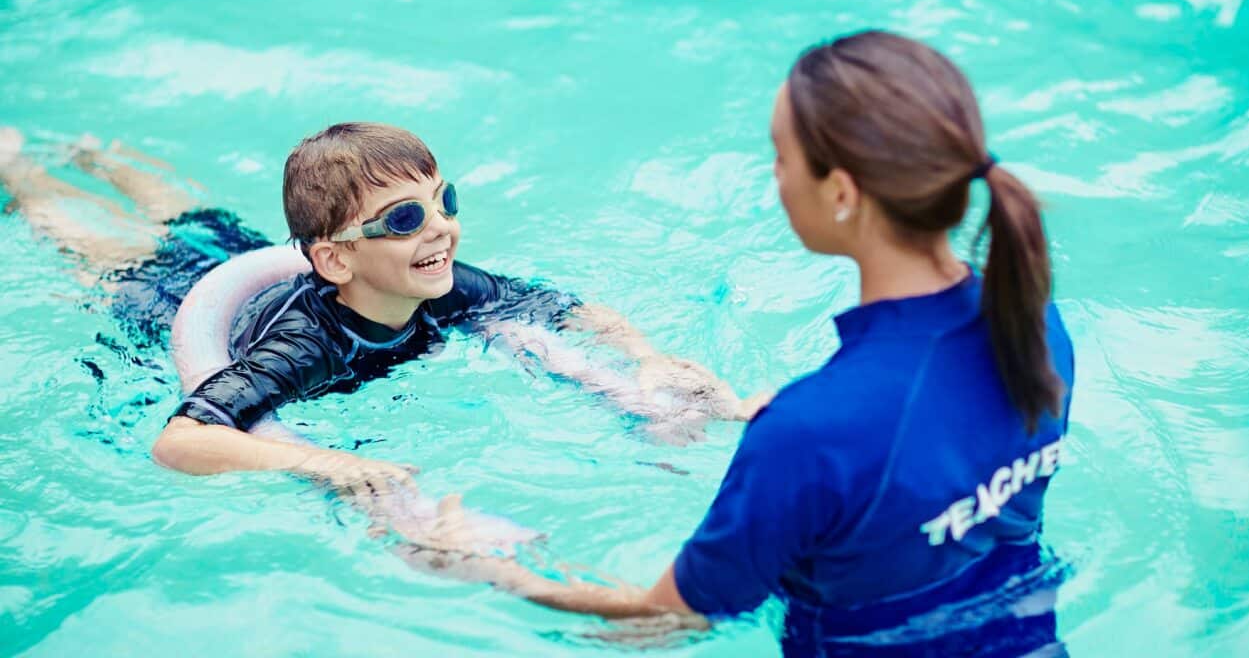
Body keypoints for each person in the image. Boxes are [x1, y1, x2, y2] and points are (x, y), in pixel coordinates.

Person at [421, 31, 1077, 657]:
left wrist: (488, 565)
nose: (776, 175)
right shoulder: (1033, 320)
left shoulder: (810, 434)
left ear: (841, 192)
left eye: (782, 155)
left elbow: (666, 621)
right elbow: (930, 467)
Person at [0, 123, 756, 510]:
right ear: (336, 259)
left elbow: (571, 311)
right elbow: (182, 442)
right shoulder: (306, 345)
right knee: (98, 246)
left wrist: (649, 358)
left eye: (443, 201)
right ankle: (23, 172)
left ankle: (99, 154)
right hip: (181, 305)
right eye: (404, 219)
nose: (441, 229)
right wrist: (325, 462)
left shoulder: (444, 282)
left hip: (240, 266)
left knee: (193, 214)